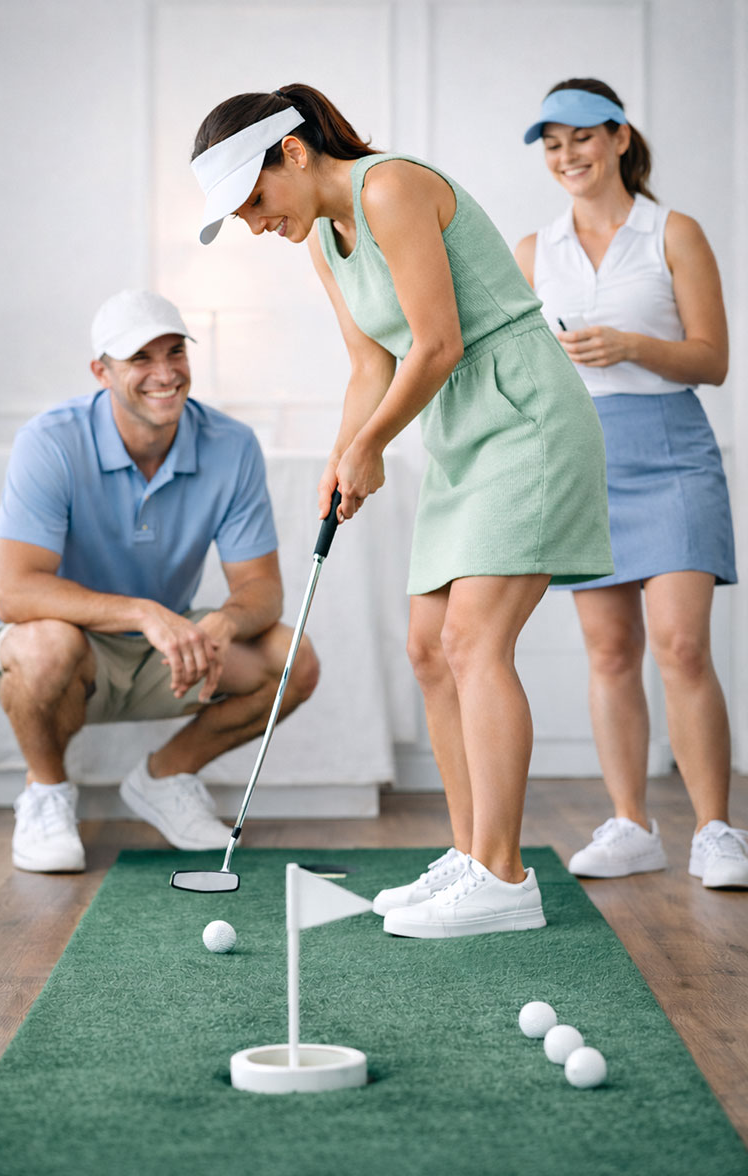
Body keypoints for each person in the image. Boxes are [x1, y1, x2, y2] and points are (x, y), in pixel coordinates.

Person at [188, 83, 614, 939]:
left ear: (295, 153)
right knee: (429, 650)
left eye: (256, 200)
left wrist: (371, 447)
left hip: (522, 415)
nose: (255, 223)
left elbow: (440, 341)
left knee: (473, 641)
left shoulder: (389, 187)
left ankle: (505, 876)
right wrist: (347, 454)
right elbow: (369, 368)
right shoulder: (327, 244)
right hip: (459, 433)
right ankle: (470, 853)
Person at [0, 289, 319, 874]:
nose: (164, 373)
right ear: (102, 372)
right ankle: (46, 794)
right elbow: (16, 592)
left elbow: (263, 589)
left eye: (175, 352)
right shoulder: (50, 440)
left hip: (169, 651)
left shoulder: (231, 445)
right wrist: (143, 612)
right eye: (141, 358)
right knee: (43, 645)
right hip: (69, 647)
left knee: (294, 657)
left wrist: (223, 621)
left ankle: (166, 779)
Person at [516, 79, 747, 889]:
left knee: (683, 646)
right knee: (610, 650)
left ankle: (716, 829)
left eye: (579, 137)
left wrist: (631, 346)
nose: (566, 156)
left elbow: (712, 360)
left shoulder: (672, 231)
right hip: (585, 457)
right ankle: (630, 824)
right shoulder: (533, 250)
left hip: (673, 450)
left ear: (618, 138)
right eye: (550, 144)